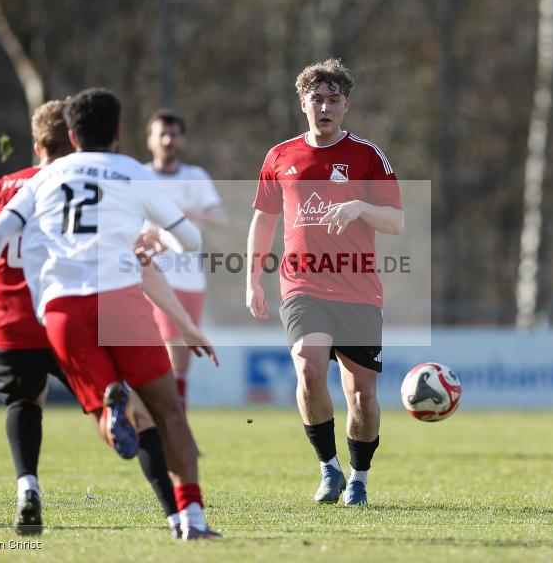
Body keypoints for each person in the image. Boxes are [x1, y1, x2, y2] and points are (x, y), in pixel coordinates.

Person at [0, 100, 197, 538]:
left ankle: (27, 487)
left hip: (7, 328)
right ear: (74, 142)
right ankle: (174, 513)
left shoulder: (3, 187)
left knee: (23, 403)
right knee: (137, 415)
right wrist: (181, 320)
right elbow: (136, 260)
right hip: (67, 316)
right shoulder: (82, 184)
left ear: (37, 145)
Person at [245, 59, 403, 507]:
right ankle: (329, 469)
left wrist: (359, 207)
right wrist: (252, 278)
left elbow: (397, 220)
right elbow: (263, 219)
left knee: (361, 396)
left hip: (358, 291)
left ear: (346, 105)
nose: (325, 107)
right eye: (317, 98)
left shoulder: (368, 156)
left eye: (334, 99)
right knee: (310, 367)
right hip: (302, 286)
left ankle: (359, 477)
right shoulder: (280, 157)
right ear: (303, 103)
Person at [142, 109, 227, 409]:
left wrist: (196, 214)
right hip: (151, 275)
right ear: (150, 139)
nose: (167, 140)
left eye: (174, 134)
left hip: (190, 278)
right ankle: (163, 423)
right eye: (161, 134)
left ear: (183, 140)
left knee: (181, 360)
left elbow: (221, 217)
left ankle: (175, 423)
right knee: (159, 350)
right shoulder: (140, 176)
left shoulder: (195, 177)